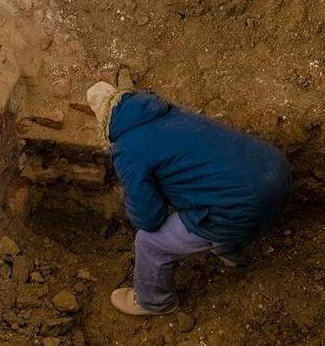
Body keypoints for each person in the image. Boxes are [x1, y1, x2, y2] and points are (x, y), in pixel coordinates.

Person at [87, 82, 293, 316]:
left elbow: (149, 218)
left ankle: (153, 301)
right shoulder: (167, 111)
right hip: (276, 169)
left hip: (242, 204)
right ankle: (228, 250)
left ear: (103, 121)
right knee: (212, 194)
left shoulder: (128, 150)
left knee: (150, 243)